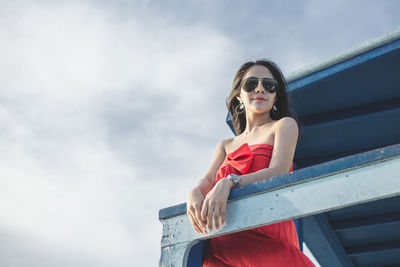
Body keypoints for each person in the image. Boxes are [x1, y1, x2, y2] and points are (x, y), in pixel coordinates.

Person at [187, 59, 315, 266]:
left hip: (268, 234)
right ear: (239, 95)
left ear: (275, 96)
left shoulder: (284, 126)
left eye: (269, 85)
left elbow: (278, 172)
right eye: (251, 84)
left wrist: (229, 182)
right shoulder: (224, 145)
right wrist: (193, 192)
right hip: (223, 245)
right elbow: (207, 180)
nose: (260, 89)